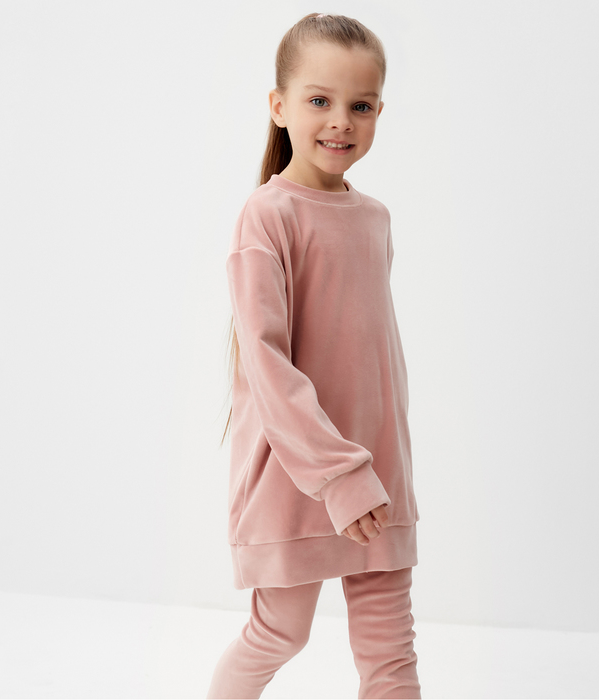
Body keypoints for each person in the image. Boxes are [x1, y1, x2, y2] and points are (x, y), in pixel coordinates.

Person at [208, 12, 421, 700]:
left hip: (378, 472)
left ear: (380, 112)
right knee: (279, 634)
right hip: (298, 478)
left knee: (391, 652)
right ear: (279, 106)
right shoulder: (268, 215)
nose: (340, 121)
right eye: (319, 100)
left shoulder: (375, 218)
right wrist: (337, 476)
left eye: (361, 105)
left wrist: (374, 469)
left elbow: (373, 357)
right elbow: (267, 363)